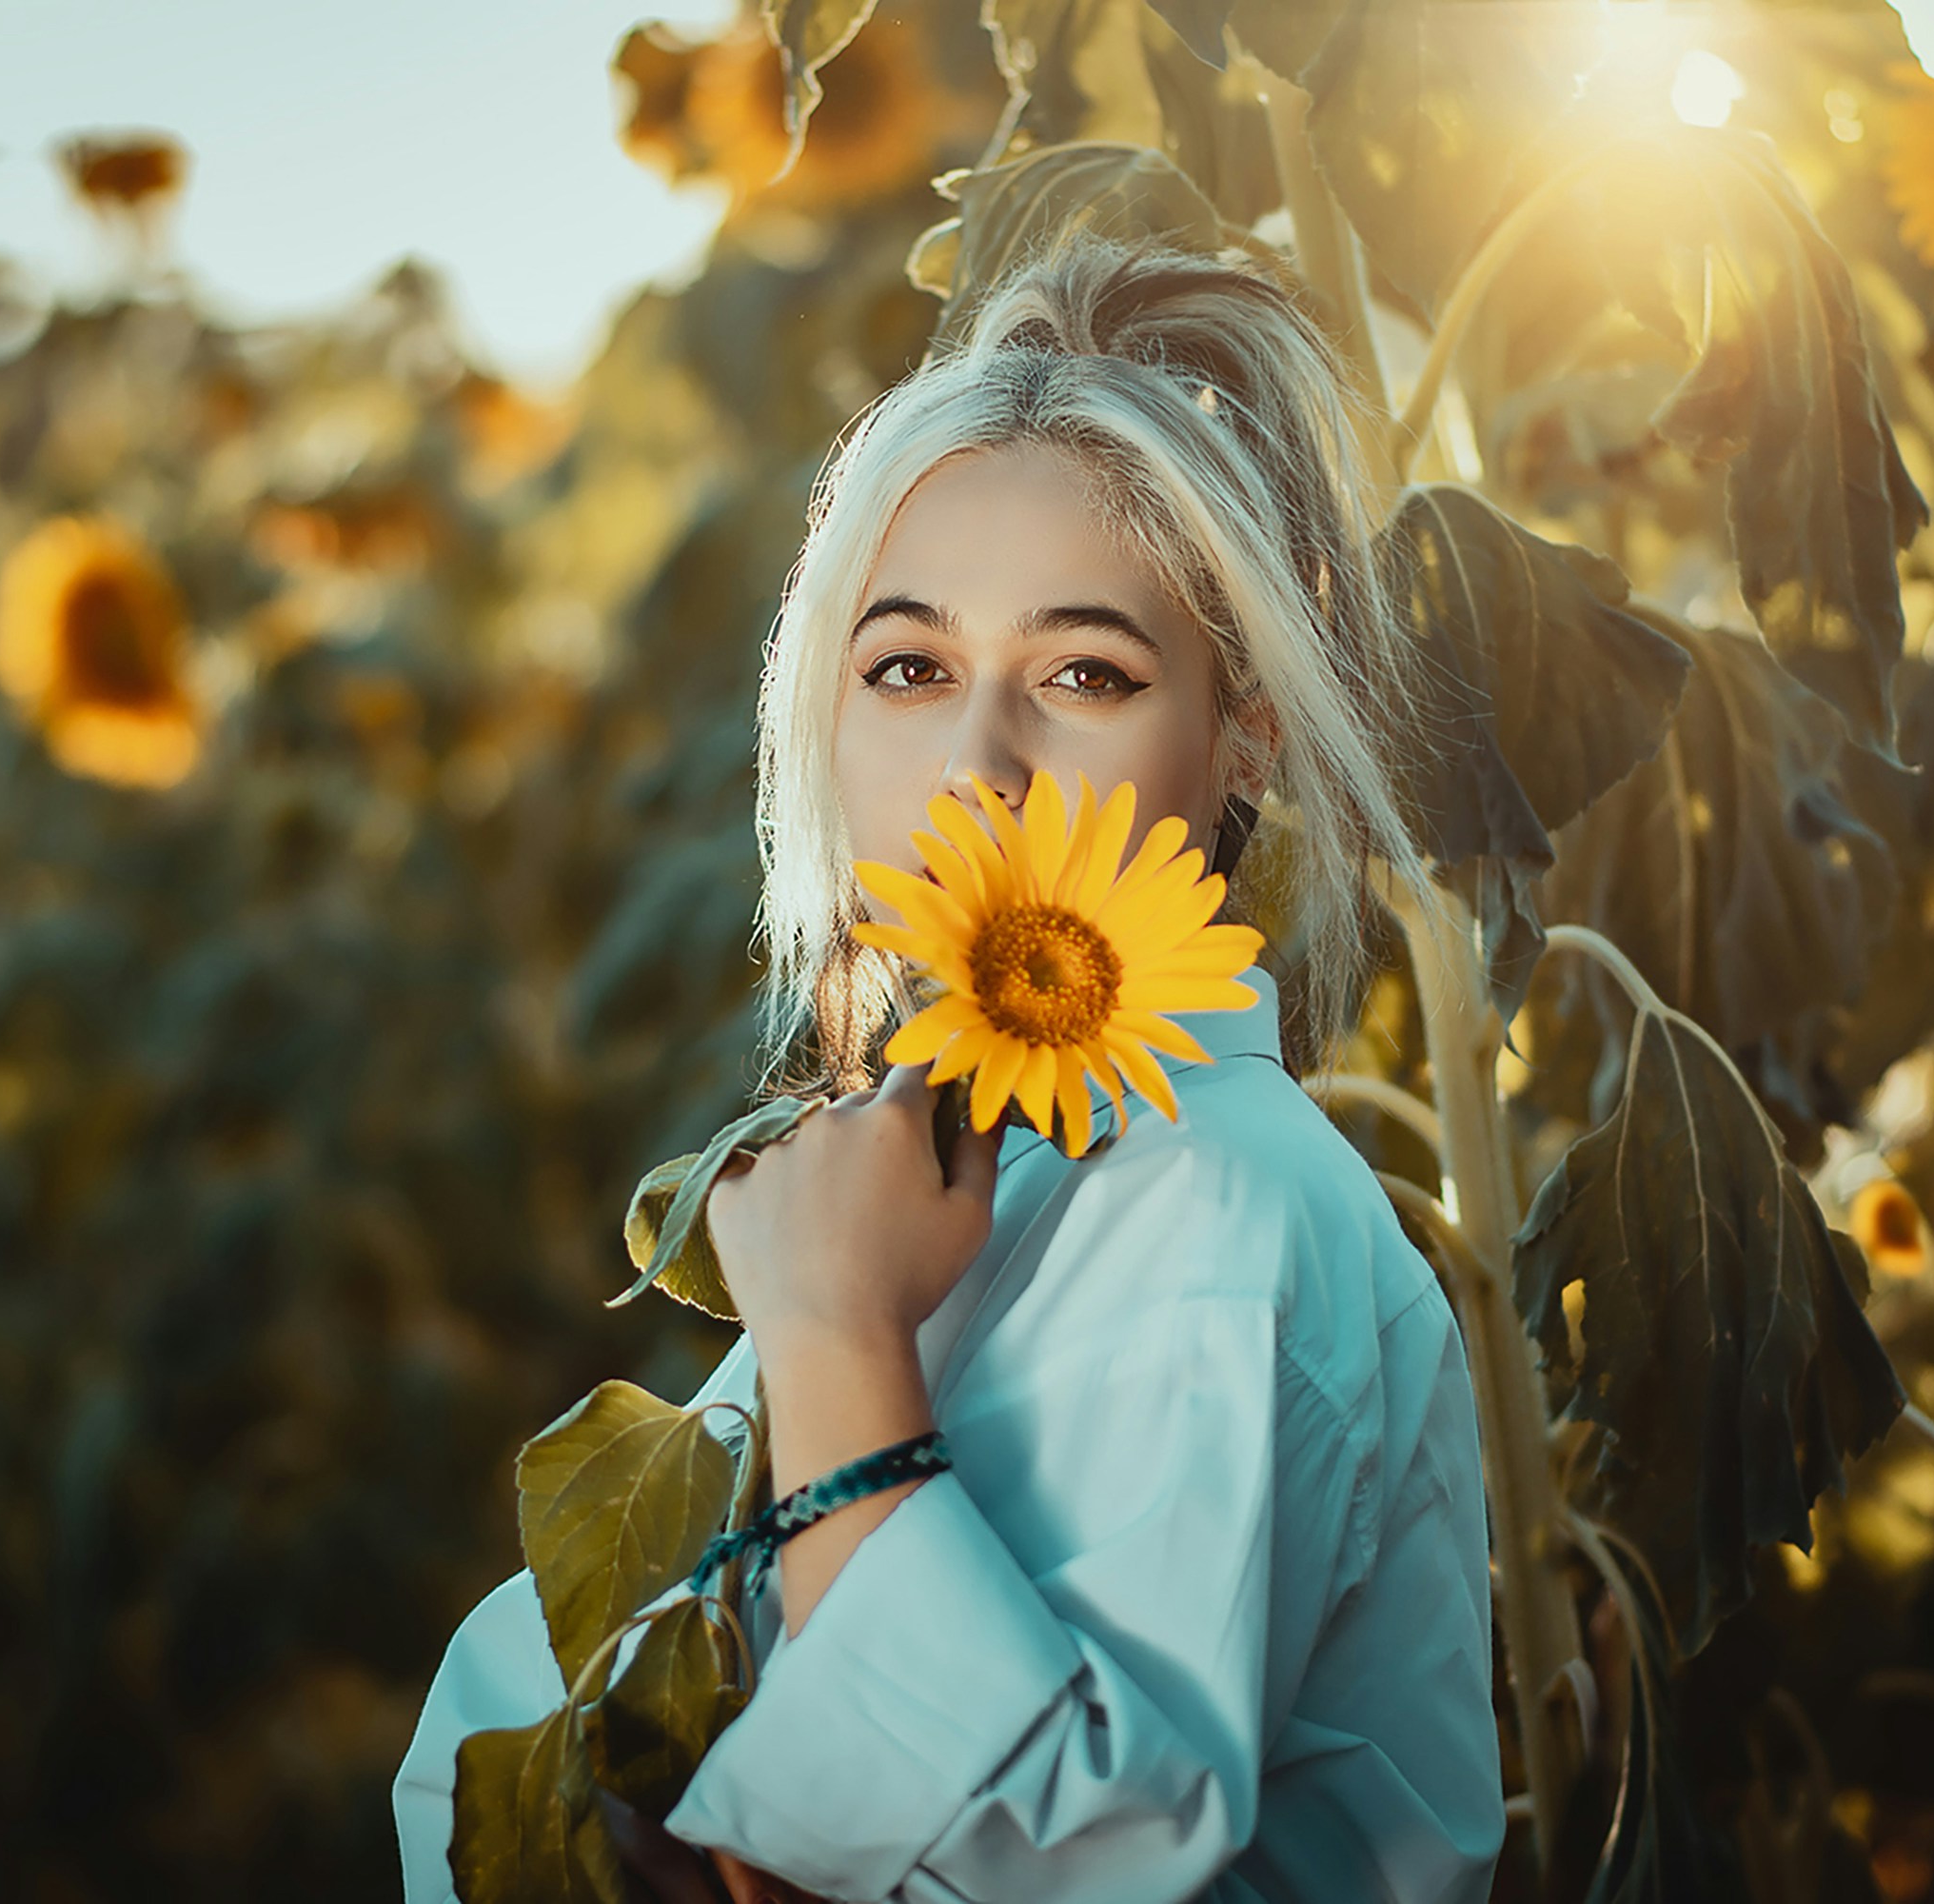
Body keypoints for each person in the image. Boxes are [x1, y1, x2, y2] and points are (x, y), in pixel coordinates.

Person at [394, 232, 1505, 1903]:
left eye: (1084, 674)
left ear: (1246, 731)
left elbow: (1054, 1859)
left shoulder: (1209, 1207)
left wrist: (834, 1341)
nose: (978, 764)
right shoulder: (961, 1172)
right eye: (907, 667)